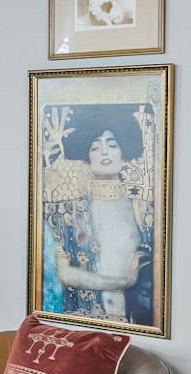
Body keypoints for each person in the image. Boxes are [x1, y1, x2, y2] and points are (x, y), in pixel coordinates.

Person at [40, 103, 155, 326]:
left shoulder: (144, 210)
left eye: (112, 145)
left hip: (137, 319)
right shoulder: (68, 210)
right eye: (95, 147)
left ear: (124, 155)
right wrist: (123, 281)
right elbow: (65, 274)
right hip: (82, 319)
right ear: (86, 158)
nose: (104, 152)